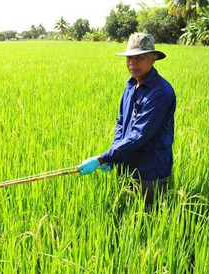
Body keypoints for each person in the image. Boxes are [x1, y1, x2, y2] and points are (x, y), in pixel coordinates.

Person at [78, 33, 176, 206]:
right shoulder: (131, 84)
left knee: (148, 221)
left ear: (153, 60)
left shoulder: (161, 92)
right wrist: (114, 155)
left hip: (149, 171)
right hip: (126, 165)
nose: (132, 63)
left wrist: (102, 158)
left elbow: (140, 134)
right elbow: (121, 122)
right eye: (129, 58)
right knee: (128, 216)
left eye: (139, 58)